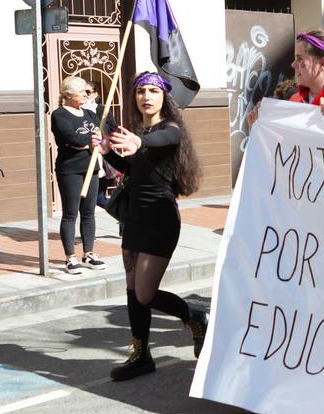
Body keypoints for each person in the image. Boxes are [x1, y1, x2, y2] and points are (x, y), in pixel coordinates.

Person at [99, 72, 208, 381]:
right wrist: (109, 154)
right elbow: (136, 170)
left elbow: (167, 139)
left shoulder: (169, 129)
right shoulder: (140, 132)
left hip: (160, 219)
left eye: (152, 91)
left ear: (163, 97)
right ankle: (140, 354)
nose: (145, 96)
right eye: (140, 91)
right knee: (133, 290)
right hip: (134, 218)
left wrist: (140, 141)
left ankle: (195, 316)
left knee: (146, 293)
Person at [51, 77, 106, 273]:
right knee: (70, 213)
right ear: (68, 94)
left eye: (87, 92)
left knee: (89, 212)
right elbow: (70, 137)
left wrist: (98, 139)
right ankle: (70, 257)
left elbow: (101, 136)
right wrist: (88, 141)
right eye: (82, 91)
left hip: (91, 167)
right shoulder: (59, 114)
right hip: (70, 170)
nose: (86, 94)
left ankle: (89, 253)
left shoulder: (90, 115)